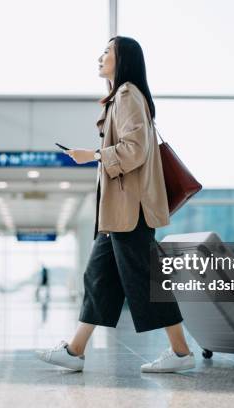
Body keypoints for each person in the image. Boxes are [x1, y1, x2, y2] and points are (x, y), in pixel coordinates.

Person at [35, 36, 194, 373]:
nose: (100, 56)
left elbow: (134, 150)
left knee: (145, 280)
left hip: (129, 211)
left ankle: (181, 353)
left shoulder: (126, 95)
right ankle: (75, 350)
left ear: (123, 59)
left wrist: (91, 156)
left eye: (107, 51)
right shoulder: (119, 97)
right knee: (99, 278)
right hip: (117, 213)